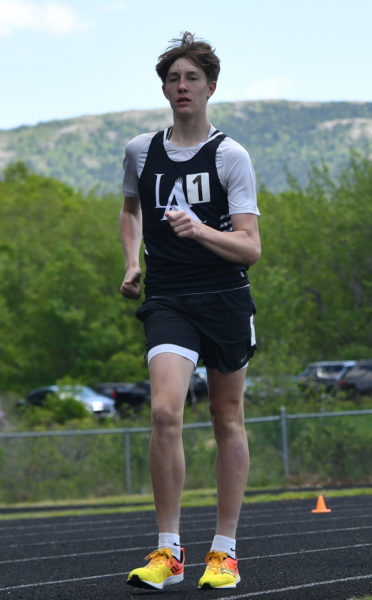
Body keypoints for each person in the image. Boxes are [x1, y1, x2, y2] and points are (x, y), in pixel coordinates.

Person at [120, 31, 261, 591]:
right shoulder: (140, 151)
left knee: (226, 419)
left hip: (225, 297)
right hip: (169, 298)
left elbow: (251, 246)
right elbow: (130, 212)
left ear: (210, 88)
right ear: (165, 88)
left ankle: (223, 552)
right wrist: (132, 261)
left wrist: (201, 230)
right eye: (173, 79)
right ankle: (167, 551)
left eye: (191, 78)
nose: (182, 87)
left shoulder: (230, 155)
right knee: (163, 411)